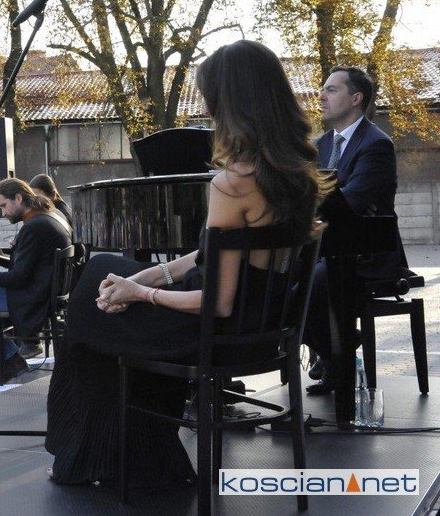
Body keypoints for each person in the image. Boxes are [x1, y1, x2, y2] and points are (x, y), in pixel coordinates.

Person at [45, 40, 324, 491]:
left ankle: (93, 457)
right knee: (103, 274)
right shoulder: (294, 174)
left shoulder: (232, 184)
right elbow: (209, 256)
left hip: (218, 333)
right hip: (263, 324)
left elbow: (218, 301)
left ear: (231, 104)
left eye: (211, 99)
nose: (207, 111)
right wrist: (141, 278)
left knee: (86, 313)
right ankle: (135, 455)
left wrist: (140, 294)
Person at [303, 66, 407, 394]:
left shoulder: (376, 144)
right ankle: (338, 348)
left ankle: (337, 355)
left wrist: (312, 209)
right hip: (326, 248)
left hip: (367, 254)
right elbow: (306, 199)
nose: (321, 96)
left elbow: (353, 202)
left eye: (331, 90)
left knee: (307, 283)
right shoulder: (319, 146)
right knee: (275, 280)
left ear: (356, 98)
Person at [0, 177, 72, 384]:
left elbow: (18, 278)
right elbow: (28, 265)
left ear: (18, 198)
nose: (3, 213)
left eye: (4, 206)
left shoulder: (33, 227)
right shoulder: (47, 216)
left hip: (33, 297)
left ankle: (10, 359)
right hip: (41, 288)